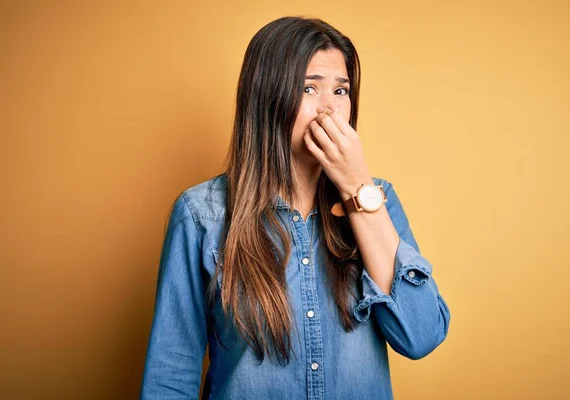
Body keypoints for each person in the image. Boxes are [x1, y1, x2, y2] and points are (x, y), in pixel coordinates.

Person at [141, 16, 451, 400]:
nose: (330, 110)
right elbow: (171, 374)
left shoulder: (377, 200)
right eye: (309, 88)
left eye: (341, 91)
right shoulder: (201, 214)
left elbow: (420, 337)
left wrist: (357, 189)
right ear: (267, 98)